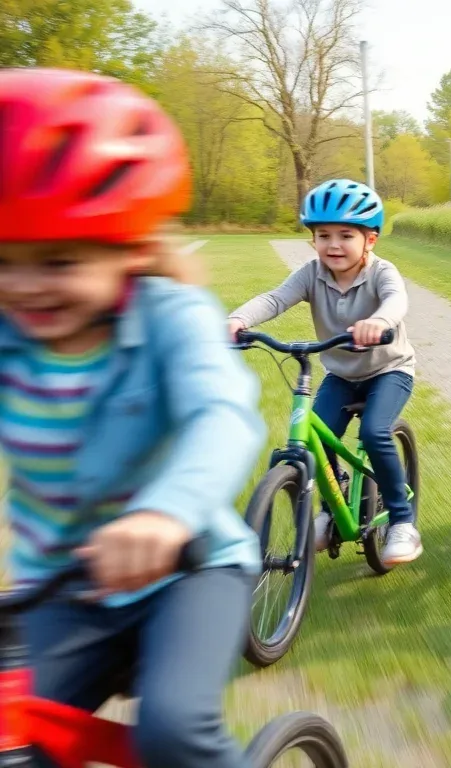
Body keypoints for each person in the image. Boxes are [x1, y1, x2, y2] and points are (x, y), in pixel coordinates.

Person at [0, 67, 265, 767]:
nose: (22, 285)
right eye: (2, 259)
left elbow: (223, 415)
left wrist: (165, 514)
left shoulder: (169, 316)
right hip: (57, 585)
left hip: (188, 569)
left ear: (130, 246)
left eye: (57, 259)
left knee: (173, 731)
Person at [226, 179, 422, 564]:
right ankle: (331, 509)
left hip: (389, 369)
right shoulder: (311, 274)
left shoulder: (383, 272)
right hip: (342, 373)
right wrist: (238, 318)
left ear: (371, 239)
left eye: (346, 235)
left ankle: (402, 522)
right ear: (312, 240)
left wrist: (378, 321)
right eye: (323, 235)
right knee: (317, 435)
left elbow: (396, 301)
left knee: (375, 431)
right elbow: (275, 298)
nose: (333, 244)